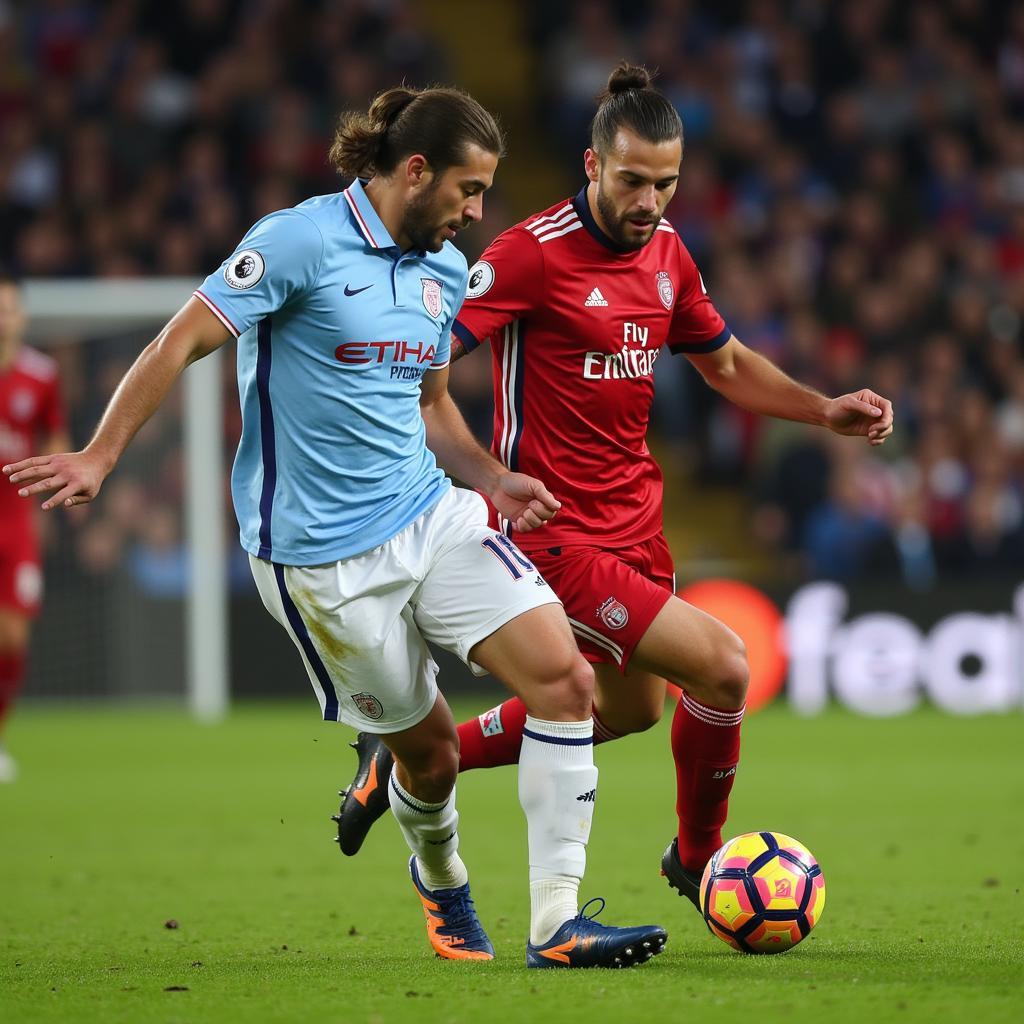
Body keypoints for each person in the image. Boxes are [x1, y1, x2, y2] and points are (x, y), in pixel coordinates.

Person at [4, 85, 666, 969]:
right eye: (469, 191)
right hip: (320, 562)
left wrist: (493, 477)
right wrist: (99, 454)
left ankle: (555, 924)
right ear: (416, 171)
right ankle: (443, 879)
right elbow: (177, 342)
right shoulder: (297, 241)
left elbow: (429, 404)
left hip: (430, 513)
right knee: (428, 760)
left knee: (566, 682)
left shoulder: (439, 271)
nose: (477, 212)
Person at [333, 63, 894, 917]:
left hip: (636, 524)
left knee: (628, 710)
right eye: (632, 180)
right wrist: (477, 472)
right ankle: (700, 857)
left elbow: (729, 365)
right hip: (552, 533)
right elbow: (428, 362)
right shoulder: (531, 254)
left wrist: (823, 410)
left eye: (666, 184)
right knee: (725, 667)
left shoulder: (669, 255)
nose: (650, 200)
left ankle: (405, 757)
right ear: (593, 166)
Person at [0, 276, 69, 782]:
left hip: (16, 523)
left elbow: (55, 431)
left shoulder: (41, 374)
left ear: (22, 316)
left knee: (13, 636)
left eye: (9, 308)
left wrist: (63, 481)